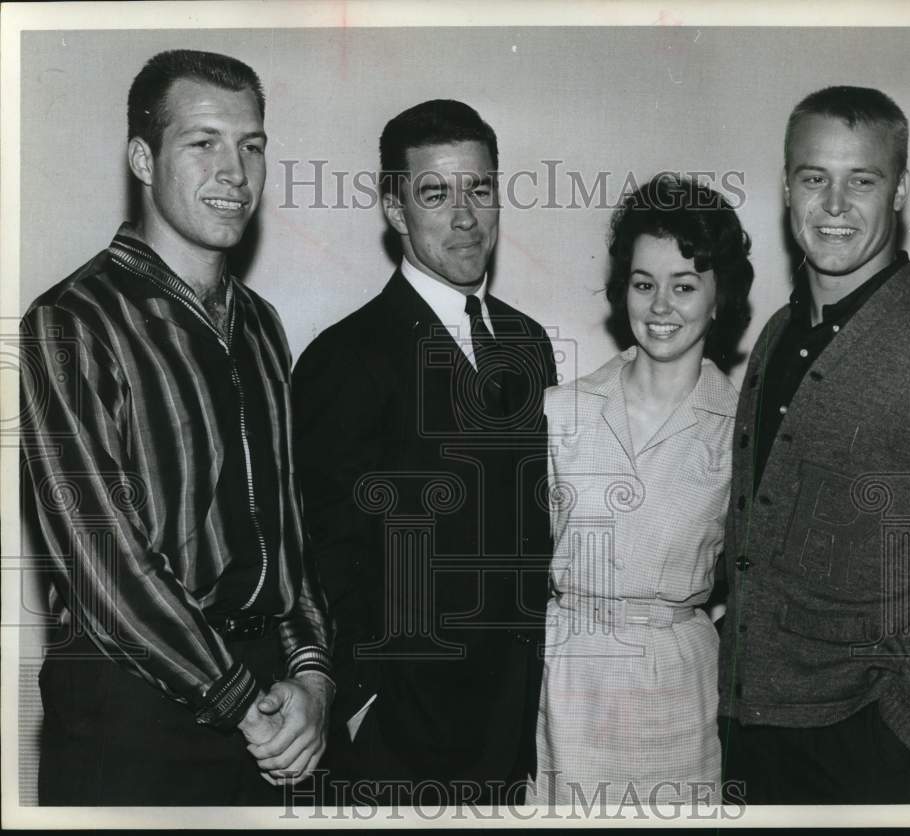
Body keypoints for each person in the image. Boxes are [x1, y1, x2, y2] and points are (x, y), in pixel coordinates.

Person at [20, 49, 334, 805]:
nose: (236, 171)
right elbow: (104, 568)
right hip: (130, 719)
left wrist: (315, 681)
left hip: (265, 709)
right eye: (203, 142)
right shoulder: (70, 321)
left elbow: (288, 538)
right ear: (142, 158)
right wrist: (238, 700)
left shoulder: (262, 326)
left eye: (251, 145)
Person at [717, 85, 910, 804]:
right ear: (785, 189)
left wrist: (906, 724)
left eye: (861, 179)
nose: (834, 206)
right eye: (814, 178)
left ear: (900, 192)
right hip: (749, 728)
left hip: (860, 744)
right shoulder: (775, 332)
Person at [292, 99, 556, 806]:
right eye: (436, 194)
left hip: (515, 724)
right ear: (395, 209)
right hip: (397, 739)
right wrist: (361, 701)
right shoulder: (344, 358)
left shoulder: (529, 344)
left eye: (480, 189)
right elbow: (322, 554)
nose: (465, 217)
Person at [534, 175, 753, 806]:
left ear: (719, 299)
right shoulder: (562, 411)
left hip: (679, 688)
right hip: (570, 681)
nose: (661, 306)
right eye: (643, 283)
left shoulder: (741, 430)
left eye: (685, 286)